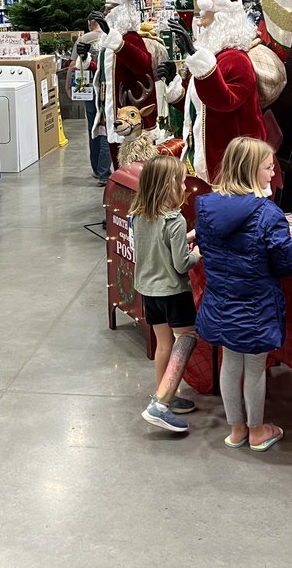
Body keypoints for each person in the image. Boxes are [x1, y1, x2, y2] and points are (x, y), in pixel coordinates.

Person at [195, 137, 292, 451]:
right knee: (255, 368)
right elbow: (289, 263)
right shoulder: (268, 214)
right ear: (252, 170)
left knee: (230, 363)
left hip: (219, 304)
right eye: (269, 168)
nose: (273, 174)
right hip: (257, 308)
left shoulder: (206, 207)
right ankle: (258, 431)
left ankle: (237, 429)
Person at [162, 0, 266, 183]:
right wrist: (175, 85)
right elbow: (200, 107)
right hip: (205, 158)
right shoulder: (213, 57)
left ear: (221, 18)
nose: (200, 23)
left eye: (204, 15)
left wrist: (195, 55)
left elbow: (224, 101)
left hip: (232, 167)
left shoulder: (237, 61)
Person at [131, 155, 201, 433]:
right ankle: (160, 405)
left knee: (164, 345)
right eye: (182, 182)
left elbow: (156, 247)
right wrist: (196, 253)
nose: (185, 187)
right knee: (186, 338)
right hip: (174, 291)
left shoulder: (140, 215)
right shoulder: (176, 220)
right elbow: (181, 264)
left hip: (149, 291)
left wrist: (185, 240)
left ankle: (165, 394)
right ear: (169, 186)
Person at [98, 0, 160, 168]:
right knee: (119, 168)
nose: (105, 13)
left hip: (131, 119)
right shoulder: (108, 40)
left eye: (109, 9)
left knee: (133, 169)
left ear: (120, 11)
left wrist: (116, 41)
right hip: (113, 113)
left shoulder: (130, 38)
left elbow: (143, 63)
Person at [70, 13, 111, 185]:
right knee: (105, 127)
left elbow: (73, 66)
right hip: (106, 87)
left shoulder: (83, 39)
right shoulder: (111, 39)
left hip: (87, 89)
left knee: (92, 126)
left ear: (89, 24)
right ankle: (104, 172)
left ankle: (96, 168)